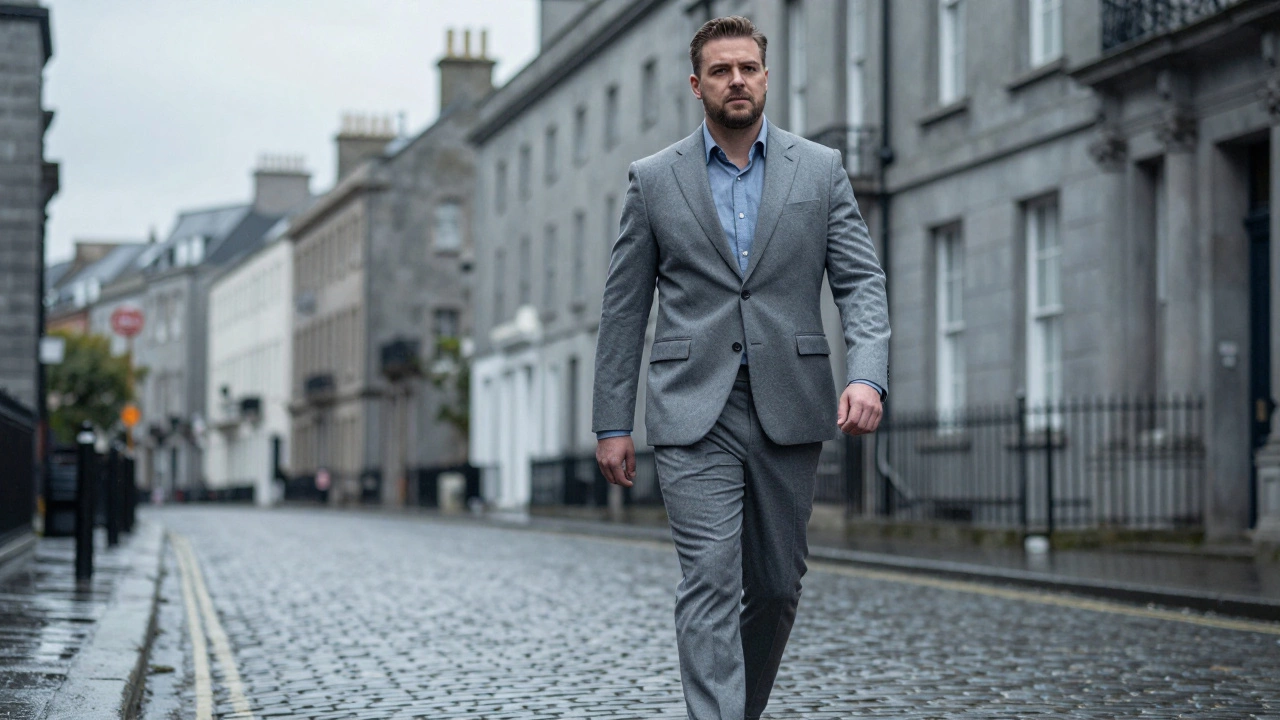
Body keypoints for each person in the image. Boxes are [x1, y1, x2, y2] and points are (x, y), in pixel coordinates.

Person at [591, 15, 890, 720]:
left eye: (747, 68)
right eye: (720, 70)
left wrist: (867, 373)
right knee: (710, 581)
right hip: (694, 411)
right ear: (697, 85)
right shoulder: (653, 180)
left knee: (778, 586)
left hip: (791, 405)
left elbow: (860, 283)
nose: (736, 81)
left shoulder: (819, 171)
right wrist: (612, 422)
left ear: (765, 76)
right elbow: (624, 311)